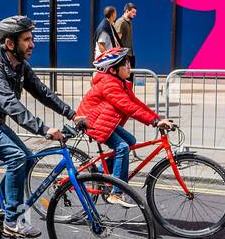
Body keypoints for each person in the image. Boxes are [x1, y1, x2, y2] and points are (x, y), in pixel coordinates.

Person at [0, 15, 80, 238]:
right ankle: (12, 221)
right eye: (26, 39)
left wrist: (72, 113)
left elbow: (42, 92)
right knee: (17, 157)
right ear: (10, 44)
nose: (32, 44)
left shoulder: (20, 65)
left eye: (31, 39)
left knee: (28, 158)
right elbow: (10, 104)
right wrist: (44, 129)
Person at [75, 47, 177, 205]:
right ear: (114, 70)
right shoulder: (109, 84)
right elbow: (129, 107)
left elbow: (136, 103)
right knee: (122, 147)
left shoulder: (120, 83)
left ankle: (100, 174)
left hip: (103, 120)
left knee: (130, 141)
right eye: (126, 64)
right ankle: (116, 193)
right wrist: (155, 122)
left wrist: (158, 119)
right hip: (92, 122)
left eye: (129, 63)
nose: (130, 66)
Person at [114, 2, 138, 67]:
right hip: (123, 56)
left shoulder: (129, 22)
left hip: (130, 55)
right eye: (133, 12)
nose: (135, 14)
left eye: (135, 12)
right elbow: (116, 41)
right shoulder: (120, 22)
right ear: (127, 11)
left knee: (131, 76)